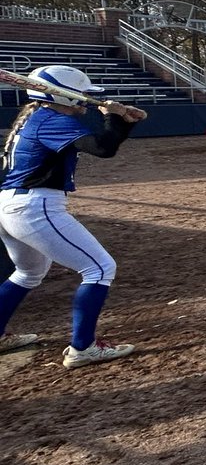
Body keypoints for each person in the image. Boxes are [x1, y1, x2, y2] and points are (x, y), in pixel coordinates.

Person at [0, 65, 146, 367]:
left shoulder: (38, 117)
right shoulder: (50, 119)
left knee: (28, 273)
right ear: (61, 95)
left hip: (13, 205)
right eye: (80, 94)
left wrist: (123, 123)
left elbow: (106, 144)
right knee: (100, 268)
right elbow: (102, 148)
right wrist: (113, 117)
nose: (83, 100)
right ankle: (83, 348)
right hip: (34, 205)